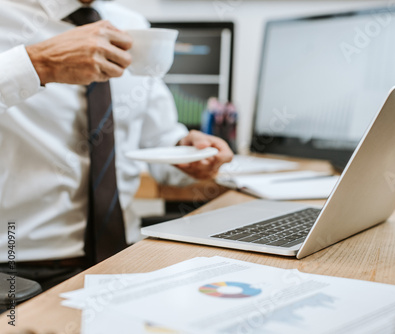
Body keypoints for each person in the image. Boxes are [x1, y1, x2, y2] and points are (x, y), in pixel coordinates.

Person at [0, 0, 233, 289]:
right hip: (15, 269)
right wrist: (36, 64)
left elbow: (159, 138)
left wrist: (186, 150)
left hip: (123, 257)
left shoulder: (132, 24)